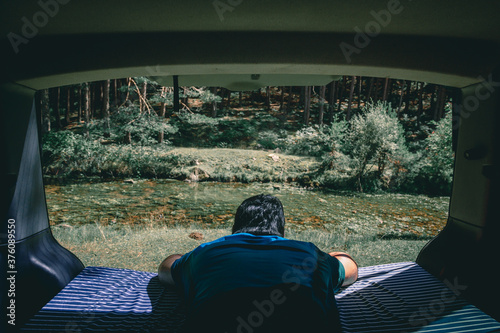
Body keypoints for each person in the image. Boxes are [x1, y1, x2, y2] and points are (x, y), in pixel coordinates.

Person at [158, 194, 358, 332]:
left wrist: (183, 259)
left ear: (236, 228)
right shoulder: (312, 255)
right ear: (282, 231)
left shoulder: (204, 254)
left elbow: (166, 271)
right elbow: (351, 271)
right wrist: (334, 255)